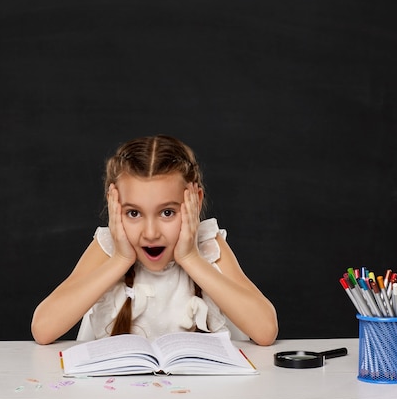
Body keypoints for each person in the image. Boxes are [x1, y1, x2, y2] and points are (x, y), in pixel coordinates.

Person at [31, 135, 278, 346]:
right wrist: (120, 260)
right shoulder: (108, 248)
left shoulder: (207, 245)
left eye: (167, 213)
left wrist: (191, 258)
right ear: (114, 205)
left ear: (196, 201)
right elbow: (43, 329)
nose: (150, 233)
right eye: (134, 213)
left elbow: (265, 331)